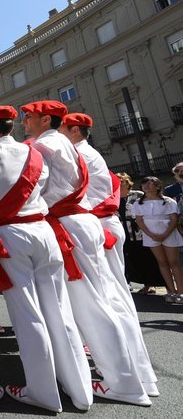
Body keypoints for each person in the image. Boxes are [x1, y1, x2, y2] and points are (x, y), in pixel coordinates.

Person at [22, 99, 151, 406]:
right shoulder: (64, 143)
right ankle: (135, 375)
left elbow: (32, 188)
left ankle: (124, 382)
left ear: (45, 120)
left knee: (89, 305)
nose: (24, 120)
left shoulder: (44, 147)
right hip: (81, 221)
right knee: (104, 300)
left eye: (29, 116)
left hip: (68, 224)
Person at [0, 106, 91, 411]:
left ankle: (43, 391)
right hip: (43, 230)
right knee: (60, 310)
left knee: (27, 314)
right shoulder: (33, 153)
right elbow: (48, 187)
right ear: (10, 127)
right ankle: (80, 390)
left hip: (11, 235)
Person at [61, 114, 159, 396]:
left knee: (102, 300)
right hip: (102, 225)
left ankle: (121, 378)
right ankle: (138, 373)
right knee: (114, 297)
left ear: (75, 130)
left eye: (62, 129)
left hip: (95, 225)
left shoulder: (78, 153)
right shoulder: (88, 153)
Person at [132, 177, 183, 304]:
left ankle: (181, 292)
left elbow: (174, 219)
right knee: (162, 263)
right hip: (151, 235)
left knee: (174, 262)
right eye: (144, 183)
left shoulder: (168, 201)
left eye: (151, 183)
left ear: (158, 186)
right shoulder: (138, 203)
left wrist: (166, 233)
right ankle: (171, 291)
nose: (147, 186)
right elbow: (139, 221)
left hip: (168, 232)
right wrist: (150, 234)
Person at [117, 173, 165, 293]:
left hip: (140, 232)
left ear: (127, 183)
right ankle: (137, 283)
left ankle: (151, 284)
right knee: (132, 259)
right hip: (124, 232)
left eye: (121, 181)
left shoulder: (138, 195)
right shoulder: (114, 197)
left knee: (146, 258)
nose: (118, 184)